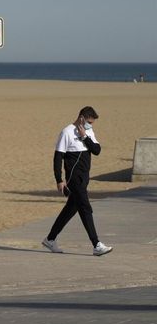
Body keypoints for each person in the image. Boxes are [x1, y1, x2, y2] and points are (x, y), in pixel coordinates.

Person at [42, 106, 112, 256]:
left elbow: (97, 150)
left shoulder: (88, 132)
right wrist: (59, 180)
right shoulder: (66, 132)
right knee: (85, 208)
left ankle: (50, 239)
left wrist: (85, 136)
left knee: (70, 210)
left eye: (91, 123)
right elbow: (58, 157)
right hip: (73, 179)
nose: (90, 125)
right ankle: (96, 244)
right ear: (81, 118)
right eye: (88, 122)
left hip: (84, 178)